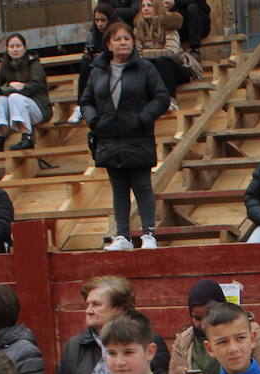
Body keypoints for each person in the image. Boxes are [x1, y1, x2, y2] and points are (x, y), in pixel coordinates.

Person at [81, 19, 170, 252]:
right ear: (108, 43)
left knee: (142, 185)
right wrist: (94, 120)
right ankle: (122, 235)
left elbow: (161, 97)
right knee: (118, 188)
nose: (123, 43)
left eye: (127, 38)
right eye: (118, 39)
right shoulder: (98, 70)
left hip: (137, 135)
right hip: (109, 137)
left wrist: (143, 118)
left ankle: (149, 233)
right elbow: (86, 101)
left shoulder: (145, 68)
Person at [170, 279, 260, 374]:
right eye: (197, 318)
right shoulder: (183, 341)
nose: (204, 324)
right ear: (208, 347)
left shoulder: (248, 331)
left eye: (209, 315)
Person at [0, 33, 52, 152]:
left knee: (15, 97)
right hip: (15, 109)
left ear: (24, 48)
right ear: (7, 49)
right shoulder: (4, 67)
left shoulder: (34, 64)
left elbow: (33, 86)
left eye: (18, 46)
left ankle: (26, 137)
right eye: (11, 47)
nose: (15, 49)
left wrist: (5, 89)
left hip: (39, 108)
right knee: (0, 99)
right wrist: (9, 86)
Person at [133, 0, 189, 110]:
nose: (145, 8)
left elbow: (171, 52)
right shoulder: (138, 29)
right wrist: (150, 54)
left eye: (149, 5)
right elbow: (137, 54)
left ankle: (170, 99)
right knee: (144, 64)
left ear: (157, 7)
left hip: (176, 68)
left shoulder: (169, 24)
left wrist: (146, 52)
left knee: (161, 61)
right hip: (154, 70)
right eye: (143, 6)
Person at [72, 3, 119, 123]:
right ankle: (80, 106)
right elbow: (87, 52)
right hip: (98, 68)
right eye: (97, 20)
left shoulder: (118, 33)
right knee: (85, 64)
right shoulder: (92, 36)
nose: (99, 24)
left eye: (103, 20)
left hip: (116, 65)